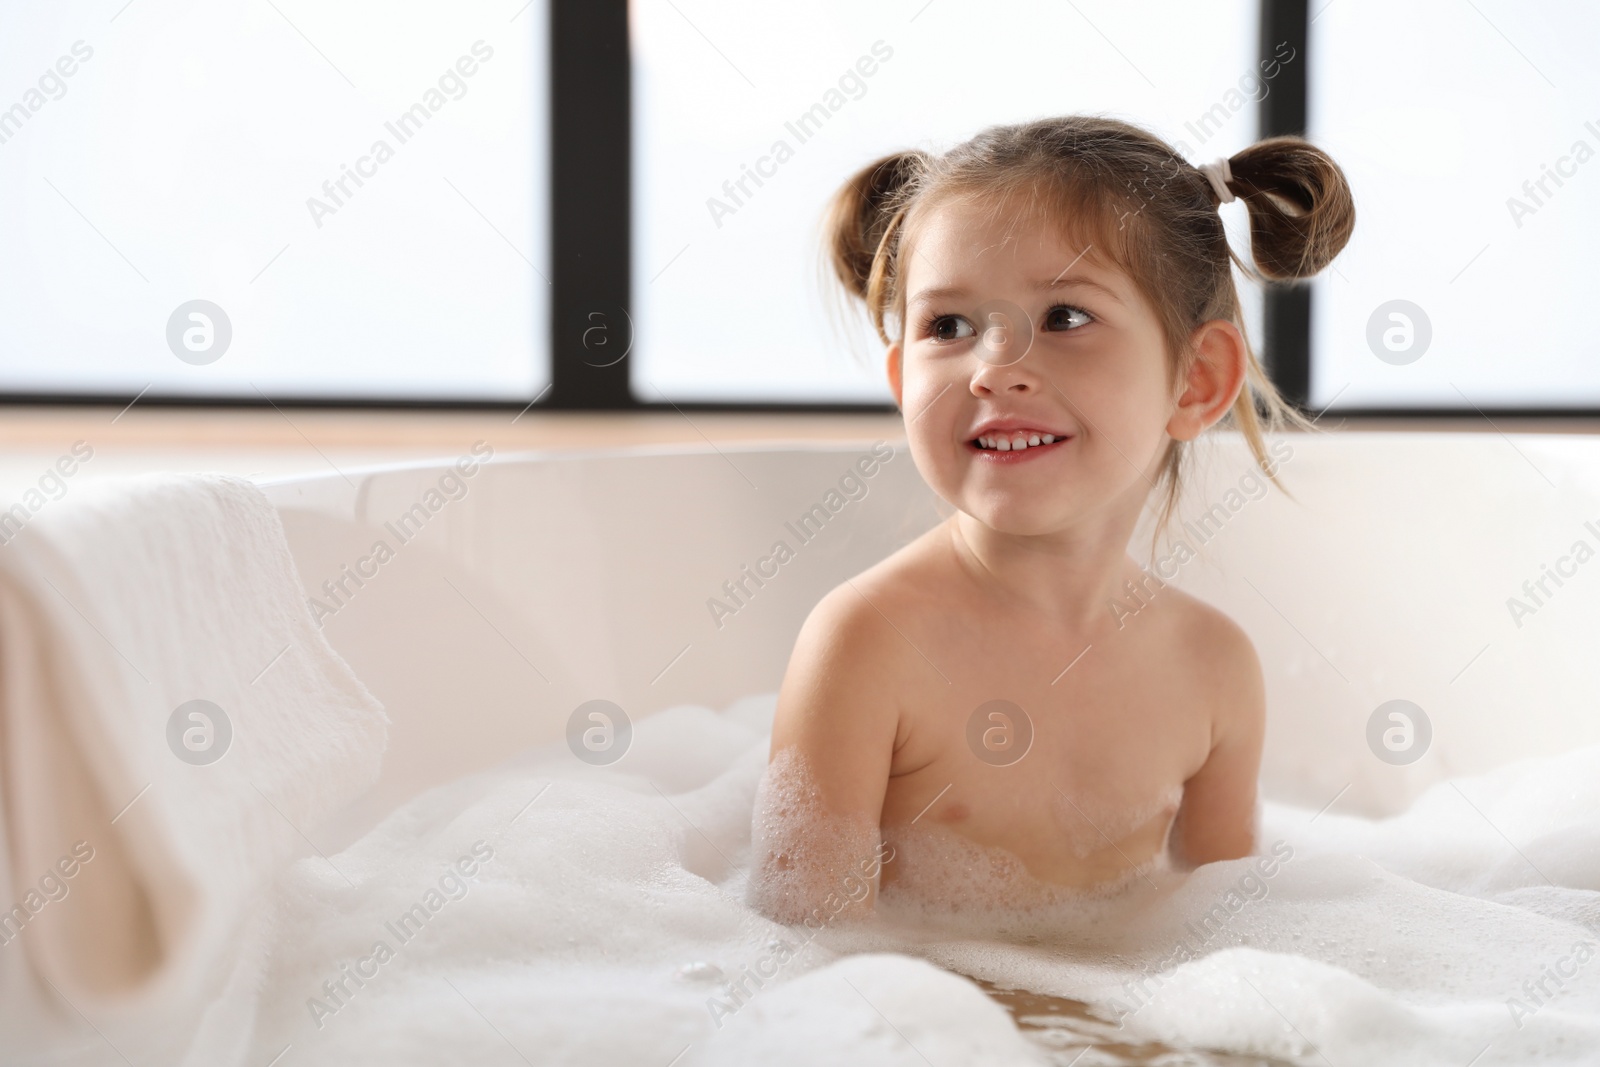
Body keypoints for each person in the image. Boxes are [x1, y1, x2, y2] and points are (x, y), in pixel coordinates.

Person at [747, 115, 1354, 924]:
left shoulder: (1213, 669)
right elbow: (801, 960)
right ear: (902, 380)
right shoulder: (867, 643)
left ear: (1196, 381)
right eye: (948, 326)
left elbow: (1228, 938)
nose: (996, 367)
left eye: (1065, 316)